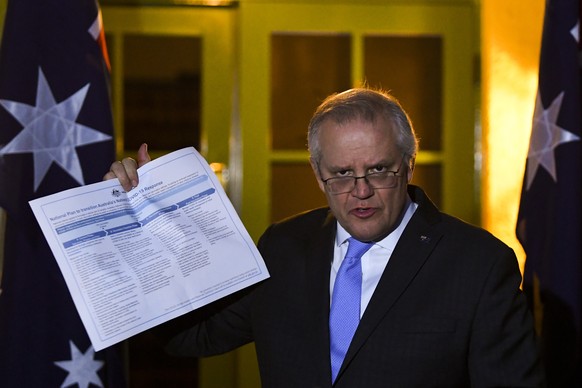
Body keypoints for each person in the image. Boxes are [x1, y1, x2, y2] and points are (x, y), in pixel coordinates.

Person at [105, 88, 544, 387]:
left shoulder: (479, 264)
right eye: (341, 174)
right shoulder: (284, 247)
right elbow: (191, 336)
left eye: (378, 169)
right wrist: (139, 222)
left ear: (408, 165)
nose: (361, 190)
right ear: (318, 174)